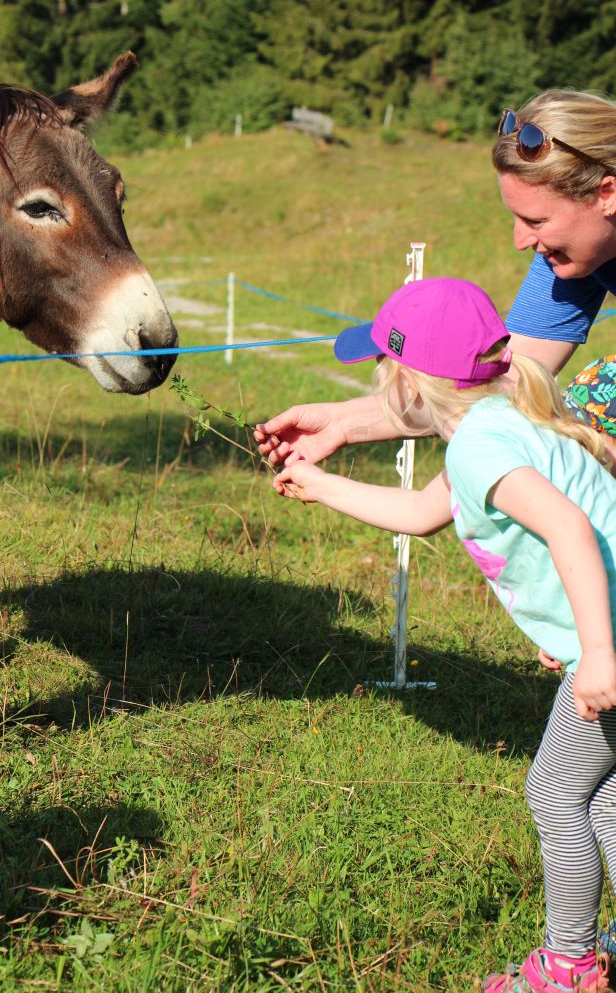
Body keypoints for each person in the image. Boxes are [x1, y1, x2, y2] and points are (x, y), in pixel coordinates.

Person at [271, 276, 616, 992]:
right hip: (602, 633)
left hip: (610, 646)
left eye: (381, 366)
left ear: (407, 382)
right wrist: (320, 484)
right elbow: (422, 513)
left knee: (554, 794)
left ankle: (568, 965)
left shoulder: (480, 447)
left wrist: (597, 651)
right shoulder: (501, 419)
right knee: (605, 794)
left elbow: (570, 528)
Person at [254, 90, 616, 470]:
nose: (519, 241)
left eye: (536, 221)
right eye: (516, 218)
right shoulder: (572, 256)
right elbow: (502, 381)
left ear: (607, 194)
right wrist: (344, 421)